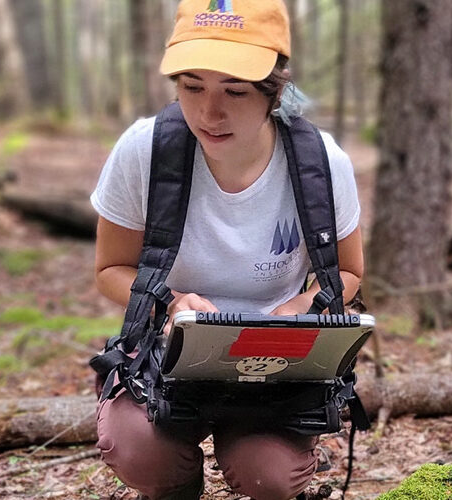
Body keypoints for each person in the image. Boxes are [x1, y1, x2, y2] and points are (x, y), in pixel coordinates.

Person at [88, 1, 364, 498]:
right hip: (164, 355)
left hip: (274, 365)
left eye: (234, 91)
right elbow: (111, 267)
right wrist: (169, 302)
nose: (208, 112)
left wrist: (302, 307)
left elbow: (348, 274)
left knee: (269, 474)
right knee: (140, 450)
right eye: (191, 86)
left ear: (274, 92)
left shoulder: (320, 164)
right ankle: (178, 486)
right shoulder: (145, 151)